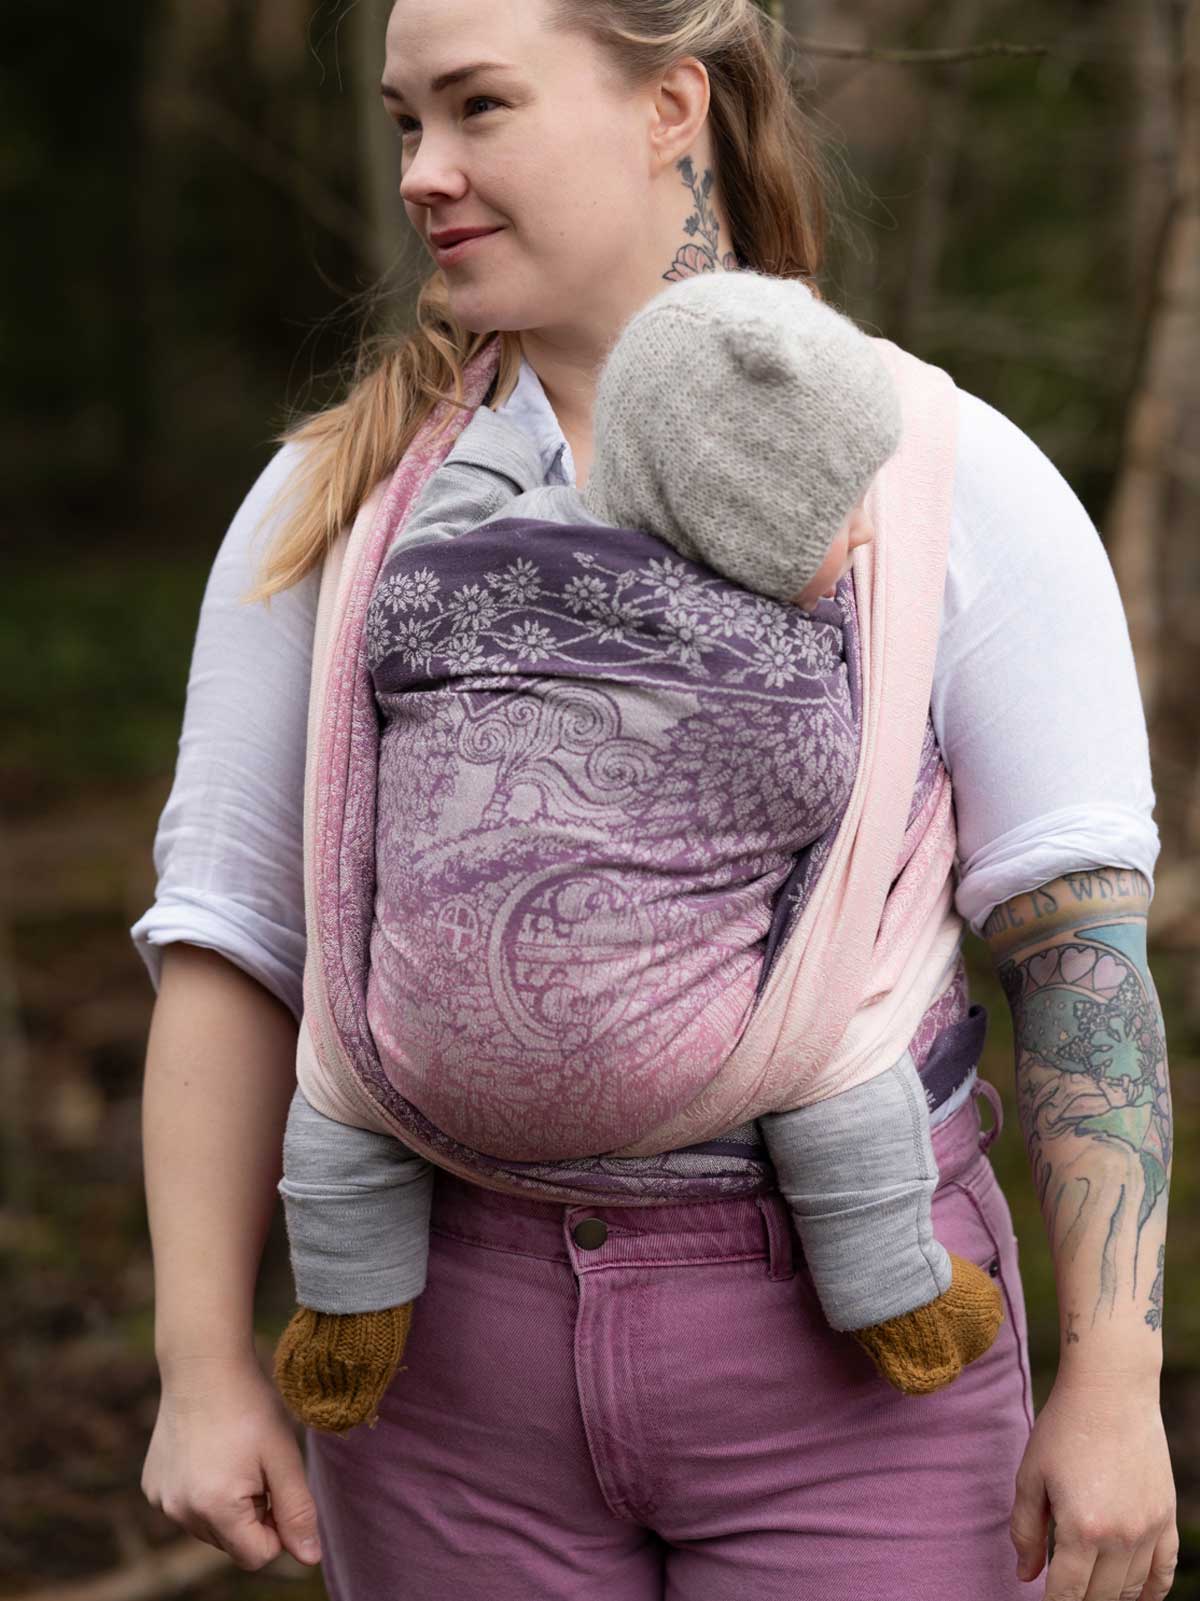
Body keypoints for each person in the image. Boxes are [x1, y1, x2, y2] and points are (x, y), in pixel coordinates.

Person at [136, 2, 1178, 1599]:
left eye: (480, 107)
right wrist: (201, 1360)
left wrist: (1114, 1382)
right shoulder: (337, 498)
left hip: (849, 1354)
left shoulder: (935, 472)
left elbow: (1077, 945)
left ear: (671, 104)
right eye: (406, 120)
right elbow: (232, 939)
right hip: (440, 1361)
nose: (423, 170)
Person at [270, 268, 1005, 1437]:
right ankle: (891, 1286)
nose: (868, 532)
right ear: (739, 518)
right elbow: (833, 806)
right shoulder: (789, 690)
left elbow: (428, 564)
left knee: (337, 1077)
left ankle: (349, 1310)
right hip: (681, 1070)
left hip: (409, 1066)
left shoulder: (440, 583)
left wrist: (493, 450)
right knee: (832, 1042)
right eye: (835, 508)